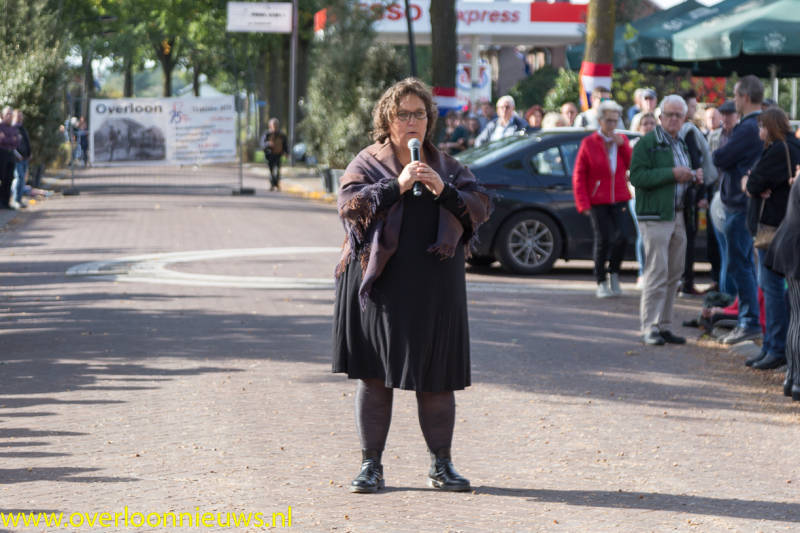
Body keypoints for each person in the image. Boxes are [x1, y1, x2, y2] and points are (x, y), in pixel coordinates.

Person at [332, 78, 491, 493]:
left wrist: (446, 191)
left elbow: (480, 207)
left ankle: (442, 465)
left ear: (429, 120)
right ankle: (371, 466)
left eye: (419, 113)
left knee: (438, 377)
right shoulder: (368, 162)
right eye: (402, 113)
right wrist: (397, 185)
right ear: (388, 118)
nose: (411, 121)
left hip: (436, 289)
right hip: (381, 288)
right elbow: (350, 207)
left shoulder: (448, 166)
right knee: (376, 377)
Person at [630, 94, 701, 346]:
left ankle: (664, 324)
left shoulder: (680, 144)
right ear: (660, 117)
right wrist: (672, 174)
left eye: (678, 115)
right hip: (656, 216)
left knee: (674, 273)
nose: (673, 119)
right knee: (656, 272)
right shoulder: (647, 143)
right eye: (669, 114)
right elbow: (636, 177)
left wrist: (694, 176)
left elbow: (682, 176)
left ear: (684, 119)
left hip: (679, 214)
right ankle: (649, 326)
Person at [743, 108, 800, 370]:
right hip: (787, 226)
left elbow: (754, 183)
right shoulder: (793, 145)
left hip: (773, 227)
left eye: (761, 127)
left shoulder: (778, 149)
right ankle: (776, 347)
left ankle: (775, 347)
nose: (759, 132)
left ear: (771, 127)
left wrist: (747, 182)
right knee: (785, 292)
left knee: (772, 289)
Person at [712, 75, 764, 345]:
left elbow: (720, 156)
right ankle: (749, 318)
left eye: (735, 95)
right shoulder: (759, 124)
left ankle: (748, 321)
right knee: (745, 264)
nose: (733, 100)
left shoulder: (746, 128)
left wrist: (726, 159)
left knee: (740, 265)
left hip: (738, 205)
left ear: (744, 96)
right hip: (747, 204)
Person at [572, 100, 632, 298]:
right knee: (603, 239)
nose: (612, 125)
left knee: (623, 236)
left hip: (620, 197)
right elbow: (579, 175)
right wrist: (583, 203)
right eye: (608, 121)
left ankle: (614, 272)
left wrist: (623, 146)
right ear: (600, 121)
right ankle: (600, 281)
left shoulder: (621, 139)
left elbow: (633, 164)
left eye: (615, 121)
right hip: (598, 199)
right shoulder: (589, 143)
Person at [764, 164, 800, 399]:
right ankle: (796, 379)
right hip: (795, 250)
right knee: (798, 317)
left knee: (796, 317)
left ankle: (792, 377)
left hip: (790, 247)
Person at [679, 90, 718, 296]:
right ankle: (686, 283)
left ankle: (681, 282)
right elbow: (697, 164)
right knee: (687, 238)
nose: (695, 110)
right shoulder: (690, 132)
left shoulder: (673, 132)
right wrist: (701, 191)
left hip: (679, 194)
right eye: (693, 107)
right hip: (689, 195)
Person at [707, 100, 738, 295]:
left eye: (729, 114)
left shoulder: (741, 135)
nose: (725, 118)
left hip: (734, 197)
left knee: (733, 250)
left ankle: (730, 294)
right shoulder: (715, 137)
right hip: (717, 194)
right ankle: (726, 292)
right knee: (722, 248)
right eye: (723, 114)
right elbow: (710, 164)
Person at [630, 112, 659, 288]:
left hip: (656, 196)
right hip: (637, 196)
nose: (648, 126)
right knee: (642, 234)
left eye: (651, 123)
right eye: (645, 123)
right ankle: (642, 271)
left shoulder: (661, 146)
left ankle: (654, 271)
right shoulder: (633, 145)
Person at [260, 118, 288, 191]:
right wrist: (268, 144)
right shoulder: (267, 134)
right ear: (270, 126)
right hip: (269, 155)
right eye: (273, 125)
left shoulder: (281, 135)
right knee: (271, 170)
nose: (275, 126)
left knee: (278, 170)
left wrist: (286, 152)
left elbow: (285, 144)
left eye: (276, 125)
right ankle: (272, 184)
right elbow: (262, 144)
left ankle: (277, 184)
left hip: (278, 154)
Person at [0, 105, 19, 209]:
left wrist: (7, 139)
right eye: (7, 114)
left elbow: (16, 142)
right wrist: (11, 140)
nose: (9, 116)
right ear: (3, 115)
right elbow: (1, 141)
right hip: (2, 154)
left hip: (11, 154)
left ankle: (6, 202)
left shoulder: (13, 128)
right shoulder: (0, 127)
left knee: (9, 178)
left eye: (11, 114)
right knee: (2, 178)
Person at [11, 109, 30, 209]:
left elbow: (26, 142)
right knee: (19, 178)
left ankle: (19, 199)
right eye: (18, 116)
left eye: (21, 116)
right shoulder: (13, 128)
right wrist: (17, 155)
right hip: (17, 159)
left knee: (22, 179)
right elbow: (12, 145)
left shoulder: (22, 128)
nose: (20, 118)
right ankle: (15, 200)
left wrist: (29, 153)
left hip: (25, 158)